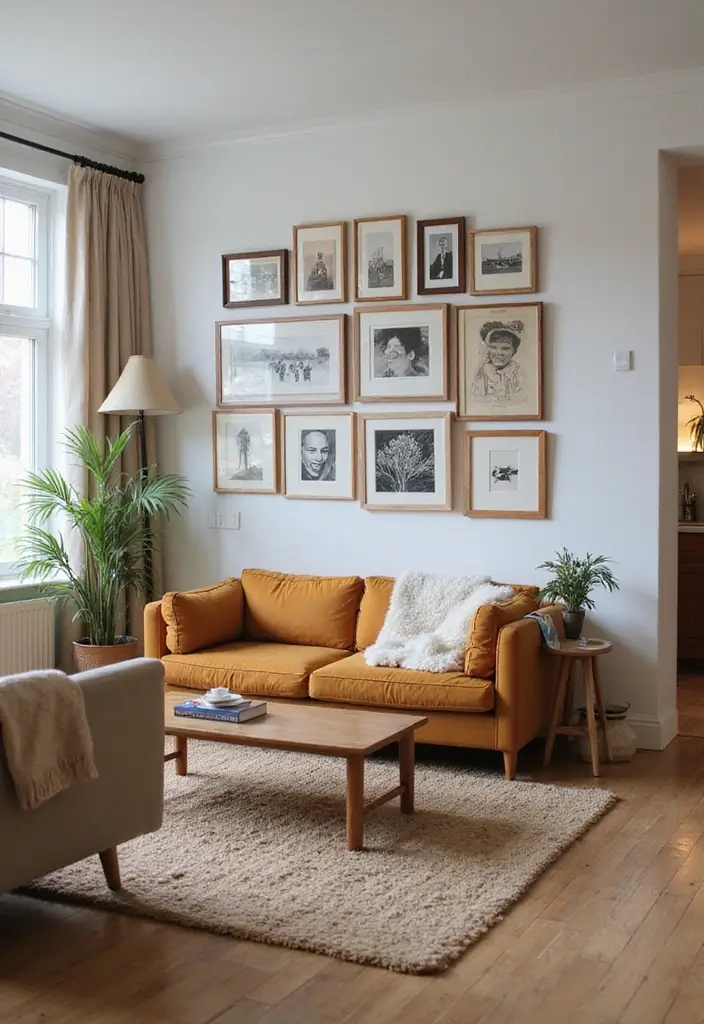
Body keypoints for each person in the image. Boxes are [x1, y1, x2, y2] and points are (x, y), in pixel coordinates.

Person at [471, 325, 525, 402]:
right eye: (493, 347)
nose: (498, 353)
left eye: (505, 348)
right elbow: (475, 398)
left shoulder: (518, 372)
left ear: (514, 352)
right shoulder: (483, 372)